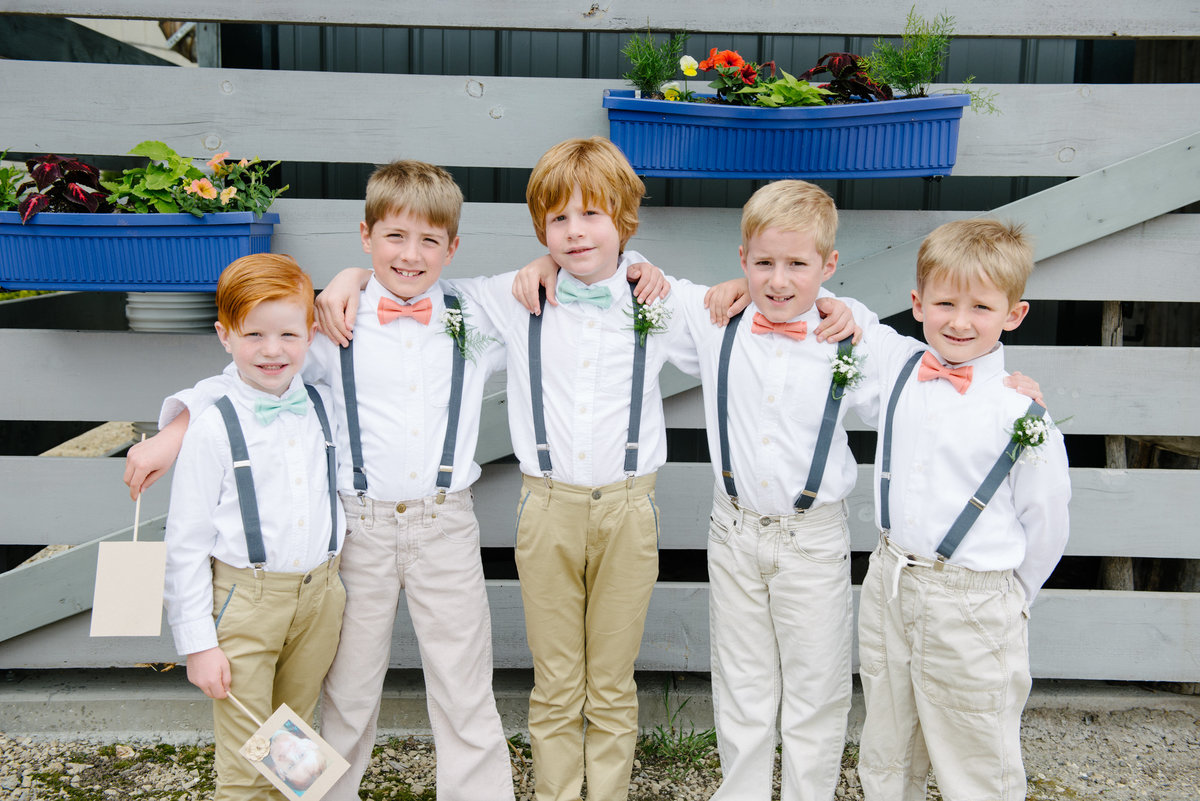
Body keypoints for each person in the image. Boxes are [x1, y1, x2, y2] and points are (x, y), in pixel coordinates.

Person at [854, 219, 1070, 801]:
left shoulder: (1021, 415)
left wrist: (1004, 598)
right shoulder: (899, 370)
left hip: (975, 598)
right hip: (891, 581)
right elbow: (826, 304)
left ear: (1013, 315)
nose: (959, 321)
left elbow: (1046, 523)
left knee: (975, 758)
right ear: (917, 305)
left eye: (980, 306)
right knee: (885, 745)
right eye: (944, 303)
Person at [162, 253, 346, 801]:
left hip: (320, 596)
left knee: (294, 748)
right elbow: (186, 544)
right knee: (246, 758)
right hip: (246, 602)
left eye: (289, 334)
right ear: (225, 336)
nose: (272, 350)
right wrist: (198, 644)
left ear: (311, 334)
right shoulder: (212, 426)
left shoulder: (324, 405)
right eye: (254, 334)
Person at [265, 721, 328, 794]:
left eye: (290, 766)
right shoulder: (298, 722)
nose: (289, 755)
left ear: (281, 773)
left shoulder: (258, 758)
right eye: (301, 755)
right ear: (309, 743)